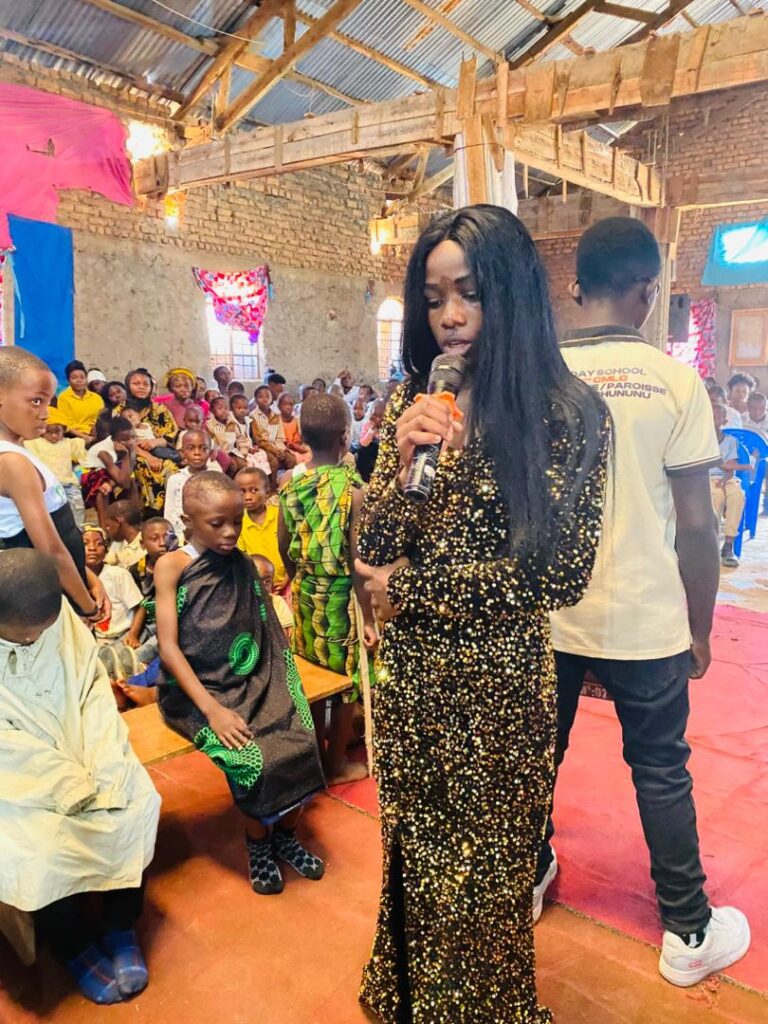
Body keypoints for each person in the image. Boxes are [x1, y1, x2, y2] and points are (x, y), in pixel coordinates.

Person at [354, 205, 609, 1024]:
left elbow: (559, 572)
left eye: (469, 293)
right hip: (414, 678)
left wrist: (415, 588)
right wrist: (399, 469)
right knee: (414, 856)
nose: (451, 317)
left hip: (500, 688)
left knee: (487, 876)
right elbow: (374, 555)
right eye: (434, 300)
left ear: (513, 291)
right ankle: (410, 1000)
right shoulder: (414, 401)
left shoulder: (569, 412)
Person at [540, 216, 750, 988]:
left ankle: (524, 873)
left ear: (576, 288)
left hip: (551, 615)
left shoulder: (540, 374)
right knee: (660, 768)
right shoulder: (675, 381)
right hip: (645, 617)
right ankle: (688, 930)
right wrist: (699, 628)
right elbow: (697, 526)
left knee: (539, 753)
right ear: (649, 292)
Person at [0, 549, 160, 1004]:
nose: (35, 641)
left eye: (42, 630)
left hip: (85, 746)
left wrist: (103, 762)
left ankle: (119, 926)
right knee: (41, 850)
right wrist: (66, 782)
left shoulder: (62, 618)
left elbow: (91, 690)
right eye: (22, 636)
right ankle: (73, 947)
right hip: (19, 776)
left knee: (135, 804)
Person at [155, 472, 325, 895]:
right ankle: (258, 843)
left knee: (303, 741)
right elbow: (169, 649)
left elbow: (266, 633)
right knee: (252, 759)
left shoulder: (244, 564)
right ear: (187, 520)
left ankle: (286, 837)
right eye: (217, 523)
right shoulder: (172, 566)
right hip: (199, 690)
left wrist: (273, 682)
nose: (230, 532)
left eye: (236, 521)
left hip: (255, 678)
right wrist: (213, 710)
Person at [279, 393, 374, 786]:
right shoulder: (354, 490)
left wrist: (301, 579)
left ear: (301, 436)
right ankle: (336, 766)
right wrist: (368, 617)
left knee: (315, 677)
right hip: (341, 596)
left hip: (305, 592)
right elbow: (358, 562)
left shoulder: (289, 484)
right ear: (345, 436)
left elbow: (283, 545)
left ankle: (318, 754)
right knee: (346, 682)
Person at [0, 346, 106, 623]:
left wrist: (87, 575)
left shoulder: (18, 450)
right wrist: (87, 607)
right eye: (36, 401)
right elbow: (50, 549)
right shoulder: (12, 462)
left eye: (48, 402)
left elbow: (61, 537)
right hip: (44, 594)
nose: (46, 414)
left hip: (62, 583)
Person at [82, 524, 144, 685]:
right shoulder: (73, 580)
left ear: (107, 548)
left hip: (122, 635)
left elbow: (140, 607)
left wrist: (133, 635)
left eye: (99, 543)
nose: (92, 548)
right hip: (96, 639)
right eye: (85, 544)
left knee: (124, 660)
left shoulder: (118, 574)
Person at [114, 369, 179, 514]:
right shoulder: (120, 410)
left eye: (146, 384)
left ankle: (171, 512)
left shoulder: (159, 409)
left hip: (159, 451)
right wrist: (147, 456)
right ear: (128, 386)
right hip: (131, 453)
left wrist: (155, 442)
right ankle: (149, 512)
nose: (142, 387)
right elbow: (120, 440)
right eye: (136, 383)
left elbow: (171, 433)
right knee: (142, 466)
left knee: (170, 467)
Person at [24, 408, 86, 527]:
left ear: (64, 430)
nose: (54, 435)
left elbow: (83, 448)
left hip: (69, 485)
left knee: (77, 511)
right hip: (48, 488)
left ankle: (79, 532)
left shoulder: (69, 443)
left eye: (58, 431)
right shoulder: (34, 443)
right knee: (51, 515)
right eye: (49, 432)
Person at [164, 429, 222, 542]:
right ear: (182, 452)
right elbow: (169, 513)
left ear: (210, 453)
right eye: (191, 448)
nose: (197, 453)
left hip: (209, 536)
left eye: (203, 448)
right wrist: (175, 539)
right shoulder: (175, 480)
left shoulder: (216, 478)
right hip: (180, 537)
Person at [236, 466, 288, 592]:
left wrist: (288, 576)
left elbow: (293, 548)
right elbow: (243, 559)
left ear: (267, 493)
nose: (248, 497)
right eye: (242, 491)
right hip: (258, 587)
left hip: (287, 581)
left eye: (254, 490)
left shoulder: (280, 516)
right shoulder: (239, 524)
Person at [710, 403, 749, 568]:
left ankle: (728, 544)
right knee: (716, 496)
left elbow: (731, 466)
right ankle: (712, 542)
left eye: (717, 417)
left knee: (737, 496)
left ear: (724, 421)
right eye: (709, 417)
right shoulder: (701, 440)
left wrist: (726, 477)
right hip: (707, 478)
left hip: (727, 477)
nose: (712, 420)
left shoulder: (731, 441)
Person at [80, 415, 137, 517]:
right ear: (114, 439)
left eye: (132, 437)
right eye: (125, 439)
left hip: (110, 474)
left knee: (132, 481)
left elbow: (128, 474)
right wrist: (125, 456)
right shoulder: (104, 452)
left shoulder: (128, 446)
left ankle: (134, 518)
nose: (130, 442)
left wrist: (129, 454)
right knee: (104, 488)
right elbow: (124, 483)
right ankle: (105, 522)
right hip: (87, 479)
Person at [251, 384, 297, 482]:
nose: (265, 399)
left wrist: (280, 450)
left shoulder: (276, 415)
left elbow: (280, 437)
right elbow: (259, 439)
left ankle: (289, 484)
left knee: (292, 459)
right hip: (264, 448)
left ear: (272, 399)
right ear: (255, 400)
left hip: (278, 447)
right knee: (273, 462)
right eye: (260, 397)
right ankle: (272, 487)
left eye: (267, 396)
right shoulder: (253, 416)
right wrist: (274, 450)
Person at [56, 359, 105, 442]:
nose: (79, 380)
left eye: (82, 377)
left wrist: (95, 430)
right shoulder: (63, 398)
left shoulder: (96, 398)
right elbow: (65, 424)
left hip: (96, 435)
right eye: (74, 378)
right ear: (68, 380)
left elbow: (102, 418)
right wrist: (84, 437)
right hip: (73, 437)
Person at [252, 554, 293, 639]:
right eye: (256, 580)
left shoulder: (276, 602)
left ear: (272, 585)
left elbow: (286, 634)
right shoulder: (238, 605)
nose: (262, 586)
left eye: (267, 582)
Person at [104, 500, 146, 570]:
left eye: (108, 525)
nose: (107, 529)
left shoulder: (147, 542)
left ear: (117, 522)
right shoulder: (117, 544)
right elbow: (106, 566)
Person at [356, 399, 386, 484]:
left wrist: (380, 431)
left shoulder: (386, 426)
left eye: (380, 416)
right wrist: (371, 431)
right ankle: (363, 477)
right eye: (375, 415)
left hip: (380, 451)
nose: (377, 419)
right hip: (367, 451)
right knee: (362, 450)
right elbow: (363, 443)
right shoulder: (367, 424)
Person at [277, 392, 310, 463]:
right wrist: (292, 446)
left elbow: (303, 438)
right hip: (285, 449)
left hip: (298, 447)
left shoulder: (297, 420)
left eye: (291, 404)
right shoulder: (275, 421)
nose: (288, 407)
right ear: (279, 406)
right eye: (285, 404)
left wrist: (299, 447)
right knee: (294, 459)